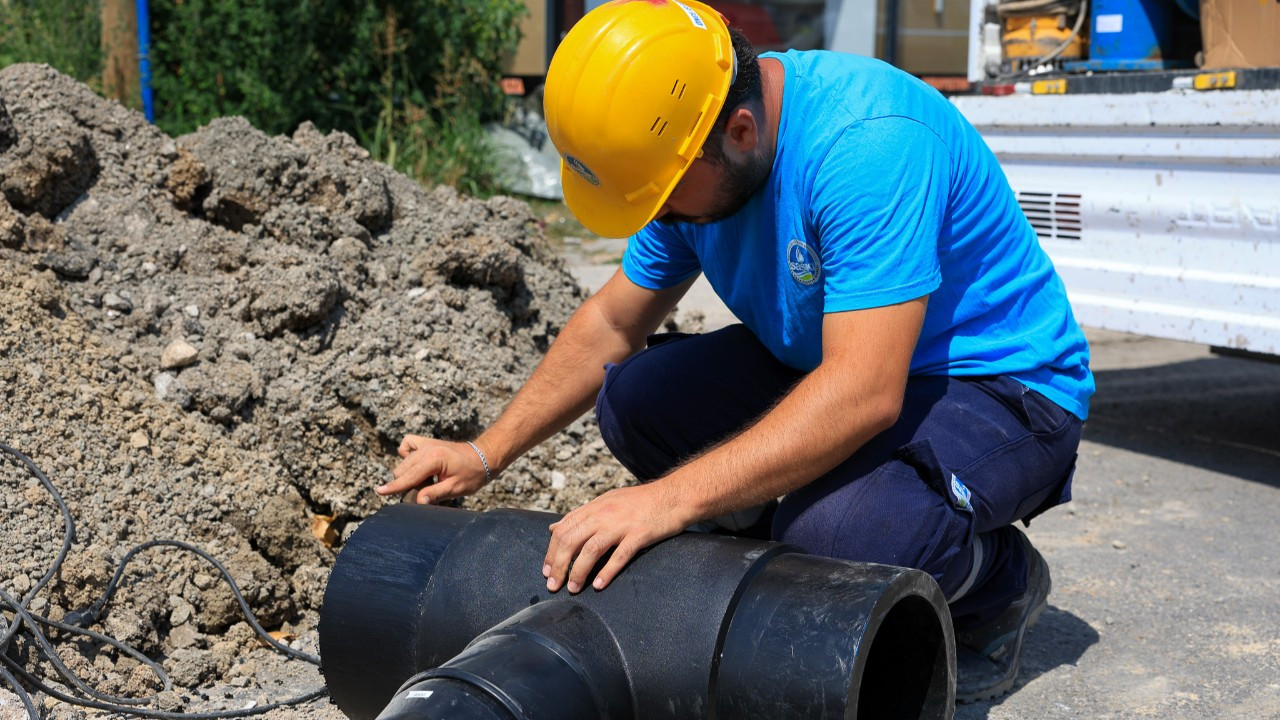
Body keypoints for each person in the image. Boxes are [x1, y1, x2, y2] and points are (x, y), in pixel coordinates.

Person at [376, 0, 1093, 704]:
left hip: (998, 387)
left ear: (742, 131)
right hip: (835, 357)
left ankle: (995, 583)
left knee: (843, 537)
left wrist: (669, 499)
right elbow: (612, 325)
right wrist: (483, 453)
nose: (654, 216)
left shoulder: (867, 144)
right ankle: (784, 556)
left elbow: (866, 390)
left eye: (659, 197)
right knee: (635, 399)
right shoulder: (693, 154)